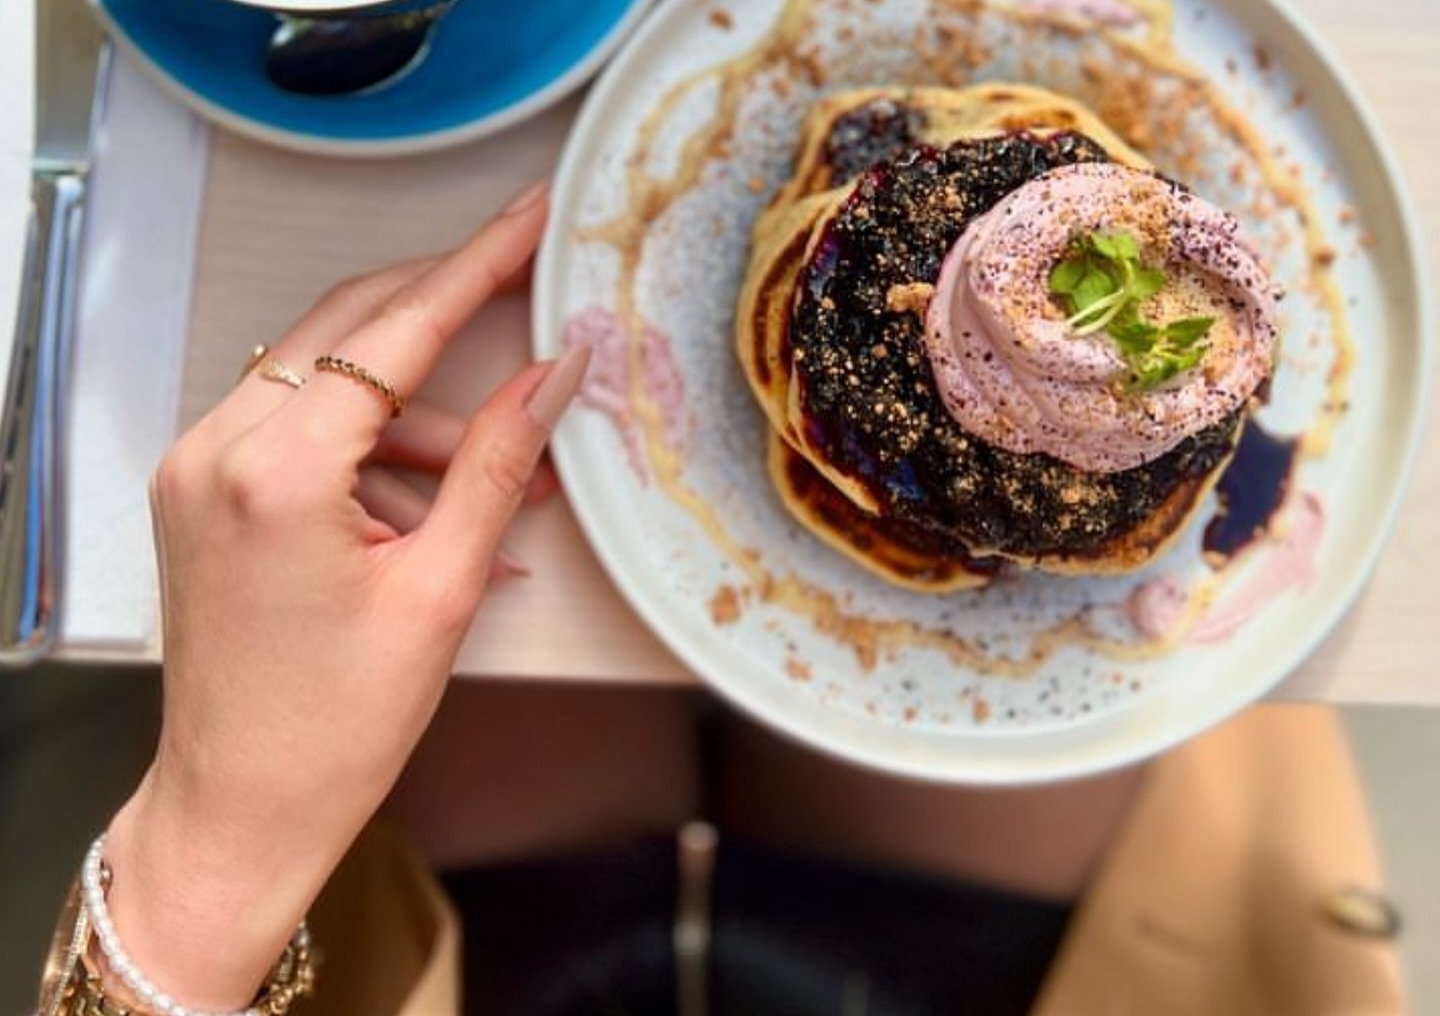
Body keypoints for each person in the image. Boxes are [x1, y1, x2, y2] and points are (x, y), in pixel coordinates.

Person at [37, 187, 1408, 1016]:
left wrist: (207, 861)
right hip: (1008, 974)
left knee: (517, 591)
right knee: (1023, 659)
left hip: (515, 972)